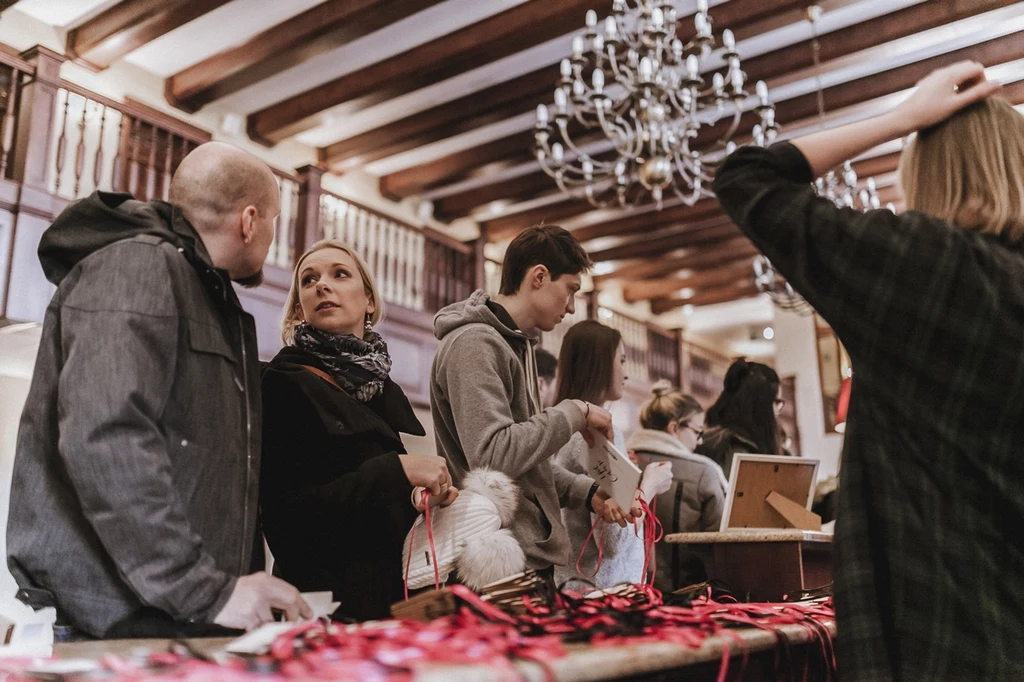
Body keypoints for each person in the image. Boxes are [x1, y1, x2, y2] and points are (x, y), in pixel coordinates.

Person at [713, 61, 1024, 680]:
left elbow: (747, 176)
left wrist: (903, 117)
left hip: (935, 631)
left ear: (926, 170)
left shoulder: (925, 266)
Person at [7, 142, 311, 639]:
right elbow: (106, 438)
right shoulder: (139, 269)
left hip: (167, 609)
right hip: (112, 616)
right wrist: (202, 589)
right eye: (275, 222)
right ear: (250, 220)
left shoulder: (199, 291)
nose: (272, 239)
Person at [260, 240, 456, 621]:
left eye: (340, 274)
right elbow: (287, 515)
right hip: (328, 607)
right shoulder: (284, 384)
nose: (322, 285)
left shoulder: (377, 386)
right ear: (300, 308)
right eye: (309, 279)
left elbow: (363, 495)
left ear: (368, 300)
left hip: (389, 601)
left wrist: (413, 497)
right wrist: (397, 472)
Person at [431, 225, 638, 579]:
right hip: (495, 562)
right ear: (539, 277)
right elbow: (493, 456)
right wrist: (576, 411)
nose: (571, 308)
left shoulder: (516, 344)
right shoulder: (474, 344)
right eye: (570, 290)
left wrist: (586, 493)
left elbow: (526, 467)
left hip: (524, 555)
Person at [552, 321, 670, 590]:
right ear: (600, 365)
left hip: (579, 586)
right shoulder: (597, 431)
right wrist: (651, 484)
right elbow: (614, 539)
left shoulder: (564, 428)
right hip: (603, 593)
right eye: (622, 361)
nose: (626, 373)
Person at [627, 382, 726, 593]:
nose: (699, 442)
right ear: (674, 428)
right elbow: (719, 544)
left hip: (625, 593)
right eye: (698, 432)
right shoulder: (703, 472)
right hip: (687, 595)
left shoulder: (623, 461)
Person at [698, 359, 785, 476]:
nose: (777, 411)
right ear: (762, 407)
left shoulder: (709, 440)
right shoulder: (740, 453)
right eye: (777, 402)